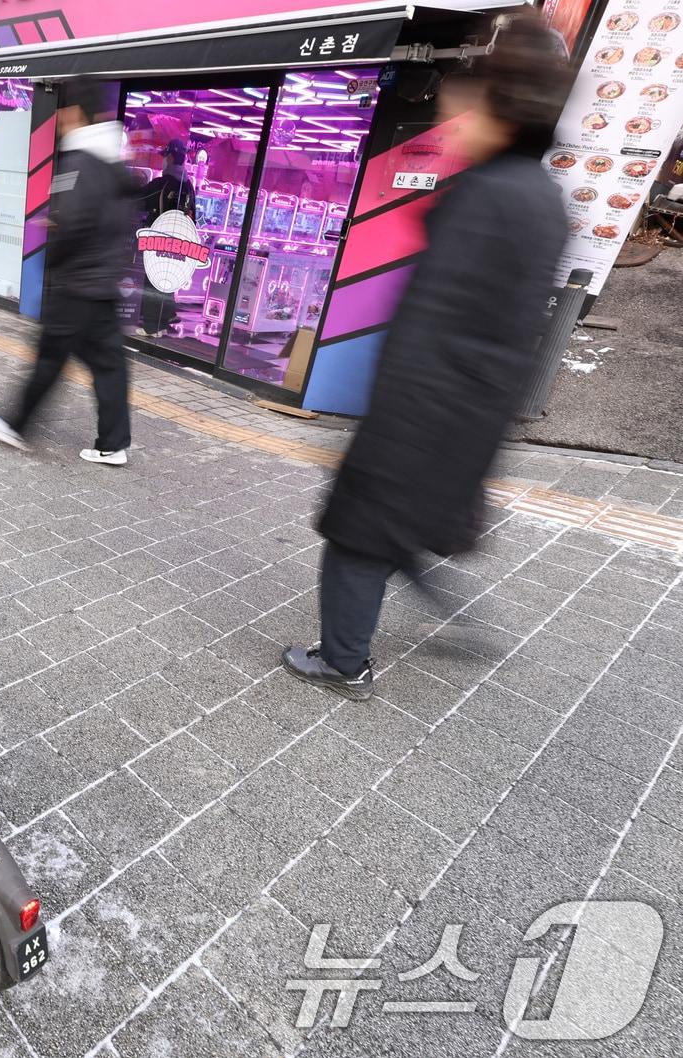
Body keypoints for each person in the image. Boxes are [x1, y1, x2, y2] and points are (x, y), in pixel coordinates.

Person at [281, 14, 570, 702]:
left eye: (461, 108)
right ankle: (463, 620)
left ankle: (344, 663)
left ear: (496, 110)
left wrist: (379, 440)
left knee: (358, 536)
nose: (450, 122)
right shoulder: (543, 199)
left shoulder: (483, 196)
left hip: (420, 414)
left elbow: (429, 330)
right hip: (469, 417)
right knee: (399, 530)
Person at [0, 80, 135, 466]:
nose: (58, 119)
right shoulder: (116, 168)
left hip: (74, 286)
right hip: (102, 287)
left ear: (77, 114)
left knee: (49, 361)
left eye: (64, 110)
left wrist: (54, 252)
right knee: (110, 367)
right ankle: (113, 443)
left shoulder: (77, 163)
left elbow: (71, 224)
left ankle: (15, 425)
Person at [136, 139, 196, 337]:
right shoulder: (188, 186)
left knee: (153, 279)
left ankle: (152, 326)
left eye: (165, 157)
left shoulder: (162, 183)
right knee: (168, 279)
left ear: (170, 158)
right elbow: (193, 214)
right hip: (179, 242)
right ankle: (164, 317)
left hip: (157, 239)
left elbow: (137, 200)